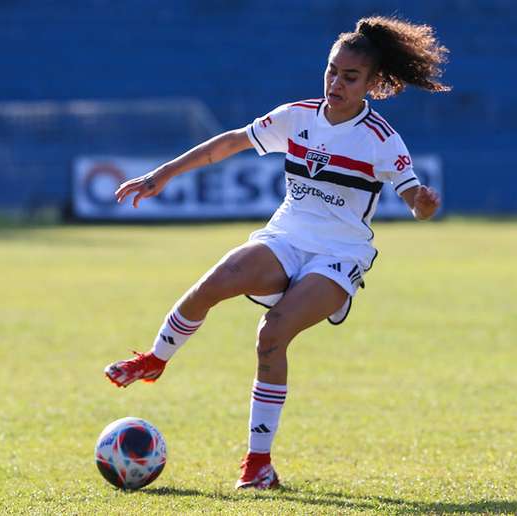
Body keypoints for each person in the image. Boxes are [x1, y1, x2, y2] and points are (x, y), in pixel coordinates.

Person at [105, 15, 449, 490]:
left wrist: (423, 206)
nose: (336, 83)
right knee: (216, 281)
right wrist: (162, 173)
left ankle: (257, 465)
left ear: (372, 83)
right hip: (286, 236)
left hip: (339, 254)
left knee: (272, 334)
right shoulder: (296, 116)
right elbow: (229, 143)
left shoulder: (381, 140)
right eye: (331, 71)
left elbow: (413, 197)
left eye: (350, 77)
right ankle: (155, 359)